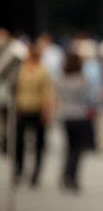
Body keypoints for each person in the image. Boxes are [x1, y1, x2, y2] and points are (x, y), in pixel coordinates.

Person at [15, 43, 54, 187]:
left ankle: (35, 173)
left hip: (37, 109)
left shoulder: (42, 71)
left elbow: (47, 92)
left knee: (39, 144)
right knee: (19, 142)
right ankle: (18, 170)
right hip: (22, 109)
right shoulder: (21, 70)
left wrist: (47, 111)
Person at [56, 52, 90, 193]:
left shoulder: (62, 80)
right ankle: (73, 176)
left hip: (66, 115)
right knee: (77, 148)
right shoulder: (81, 80)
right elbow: (86, 98)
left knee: (69, 146)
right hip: (79, 115)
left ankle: (66, 173)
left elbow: (59, 97)